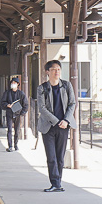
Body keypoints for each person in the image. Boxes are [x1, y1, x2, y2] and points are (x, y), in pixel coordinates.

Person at [36, 60, 77, 192]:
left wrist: (65, 120)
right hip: (48, 127)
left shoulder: (66, 85)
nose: (57, 71)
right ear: (47, 72)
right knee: (51, 157)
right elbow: (41, 108)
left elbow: (72, 103)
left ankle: (58, 183)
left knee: (60, 157)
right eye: (53, 69)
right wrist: (56, 121)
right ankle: (55, 183)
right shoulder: (42, 88)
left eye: (58, 69)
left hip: (64, 126)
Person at [0, 77, 28, 152]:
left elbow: (25, 105)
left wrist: (22, 113)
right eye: (12, 83)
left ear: (18, 84)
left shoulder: (21, 94)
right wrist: (7, 105)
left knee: (17, 130)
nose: (13, 84)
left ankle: (16, 145)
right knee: (9, 130)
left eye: (14, 83)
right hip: (9, 113)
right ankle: (10, 146)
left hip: (18, 114)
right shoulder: (7, 93)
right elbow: (2, 102)